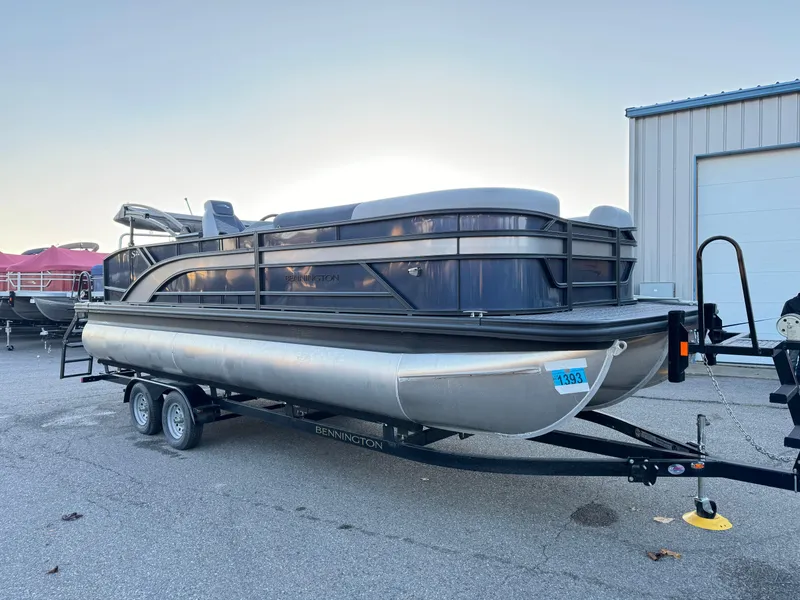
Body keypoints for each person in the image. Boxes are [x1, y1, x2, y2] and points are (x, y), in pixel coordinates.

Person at [780, 293, 800, 378]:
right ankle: (789, 379)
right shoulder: (790, 303)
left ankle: (797, 378)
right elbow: (784, 319)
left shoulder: (789, 302)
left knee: (792, 359)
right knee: (792, 359)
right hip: (794, 336)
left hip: (793, 336)